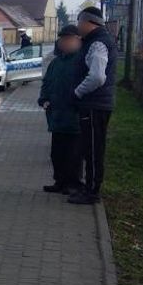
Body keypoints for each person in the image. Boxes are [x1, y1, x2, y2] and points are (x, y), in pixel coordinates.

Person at [69, 7, 117, 205]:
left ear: (89, 22)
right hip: (94, 104)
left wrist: (77, 92)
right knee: (89, 147)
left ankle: (92, 191)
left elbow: (97, 76)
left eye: (80, 22)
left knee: (94, 149)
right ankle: (89, 188)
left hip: (94, 104)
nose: (78, 26)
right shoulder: (94, 41)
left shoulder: (98, 43)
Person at [39, 25, 83, 195]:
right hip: (56, 115)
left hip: (74, 115)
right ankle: (59, 181)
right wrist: (44, 99)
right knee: (57, 153)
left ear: (78, 40)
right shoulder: (56, 63)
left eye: (68, 39)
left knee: (73, 153)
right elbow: (47, 82)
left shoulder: (81, 61)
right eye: (62, 39)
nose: (64, 43)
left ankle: (73, 183)